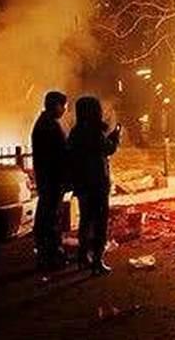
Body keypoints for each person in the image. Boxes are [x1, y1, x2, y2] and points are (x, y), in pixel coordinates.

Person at [68, 96, 120, 275]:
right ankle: (97, 261)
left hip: (83, 185)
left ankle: (83, 258)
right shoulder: (94, 132)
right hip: (97, 184)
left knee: (85, 221)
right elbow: (107, 149)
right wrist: (114, 138)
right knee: (100, 223)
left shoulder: (75, 132)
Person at [31, 91, 69, 270]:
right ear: (56, 105)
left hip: (46, 178)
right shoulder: (50, 126)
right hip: (52, 179)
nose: (64, 110)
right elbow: (61, 153)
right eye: (63, 106)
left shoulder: (43, 123)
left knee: (46, 214)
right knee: (52, 216)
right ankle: (52, 255)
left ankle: (45, 252)